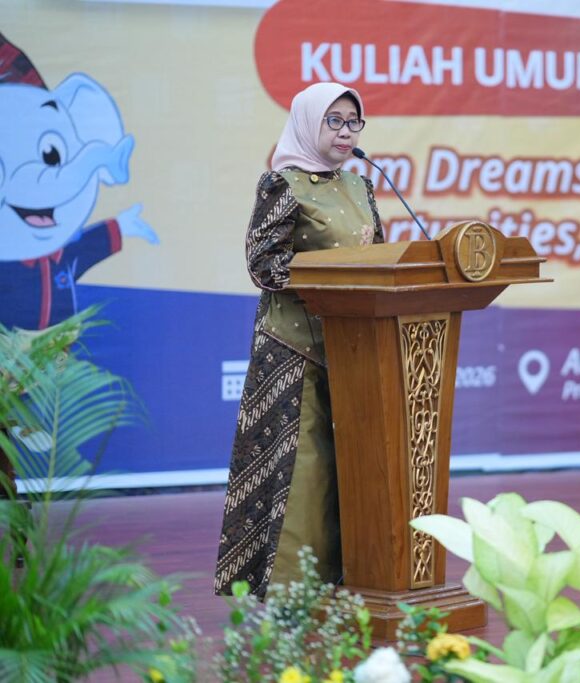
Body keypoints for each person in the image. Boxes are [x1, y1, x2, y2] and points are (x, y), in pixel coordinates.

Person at [215, 82, 384, 598]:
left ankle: (350, 574)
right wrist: (333, 278)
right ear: (309, 123)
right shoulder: (282, 184)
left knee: (349, 463)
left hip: (353, 348)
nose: (346, 132)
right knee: (304, 469)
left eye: (353, 122)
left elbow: (380, 258)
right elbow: (263, 265)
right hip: (294, 348)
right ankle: (292, 586)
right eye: (334, 120)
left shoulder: (361, 186)